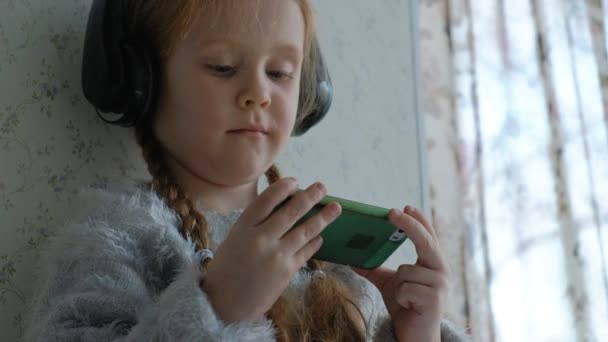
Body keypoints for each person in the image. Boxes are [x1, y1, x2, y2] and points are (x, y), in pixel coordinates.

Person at [22, 0, 470, 341]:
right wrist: (216, 308)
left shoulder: (331, 261)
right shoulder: (115, 235)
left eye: (280, 72)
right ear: (142, 79)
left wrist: (416, 333)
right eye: (222, 67)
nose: (258, 92)